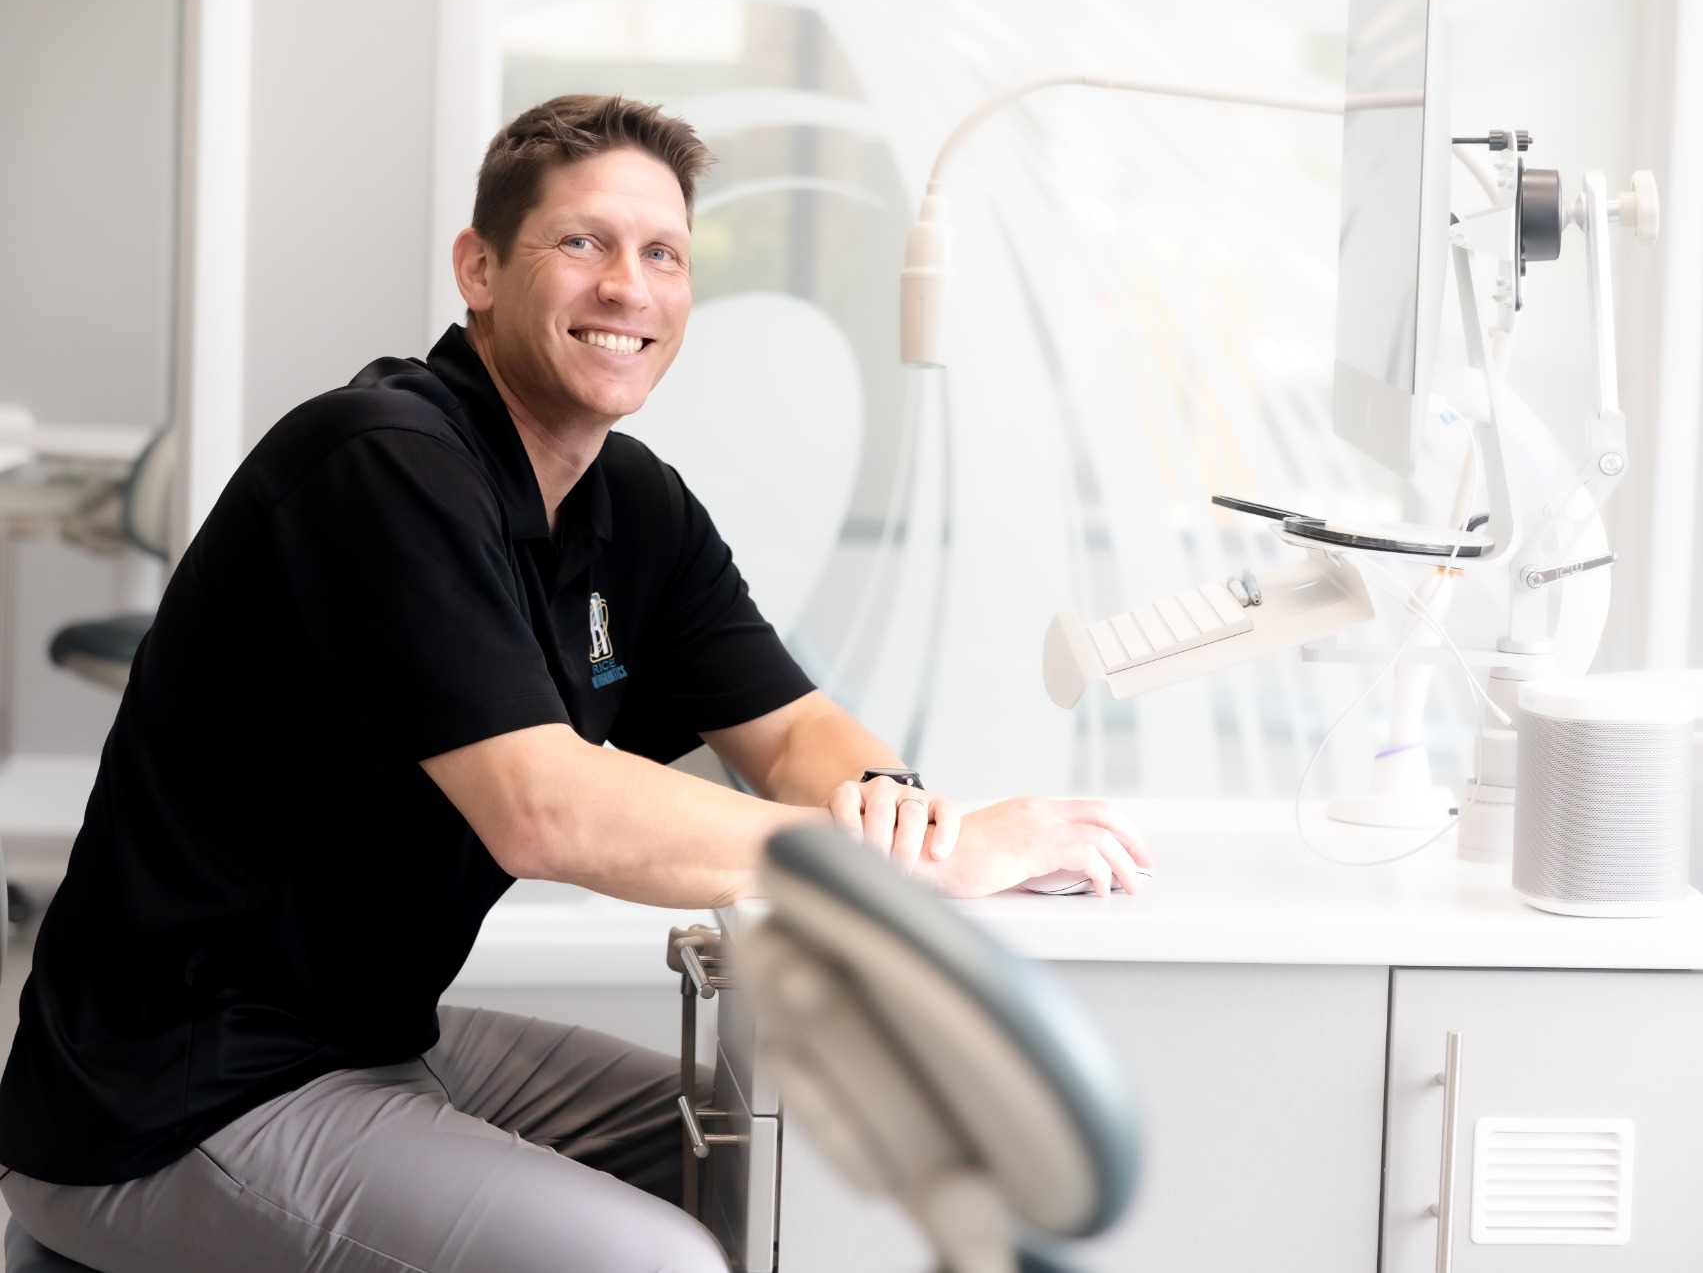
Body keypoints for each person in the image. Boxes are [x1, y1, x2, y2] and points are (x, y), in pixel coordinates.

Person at [0, 94, 1151, 1273]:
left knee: (787, 1154)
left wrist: (900, 813)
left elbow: (791, 724)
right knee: (659, 1265)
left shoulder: (631, 503)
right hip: (171, 1100)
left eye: (662, 254)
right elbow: (544, 809)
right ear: (480, 268)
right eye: (583, 243)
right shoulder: (380, 463)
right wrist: (910, 862)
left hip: (372, 1042)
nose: (627, 286)